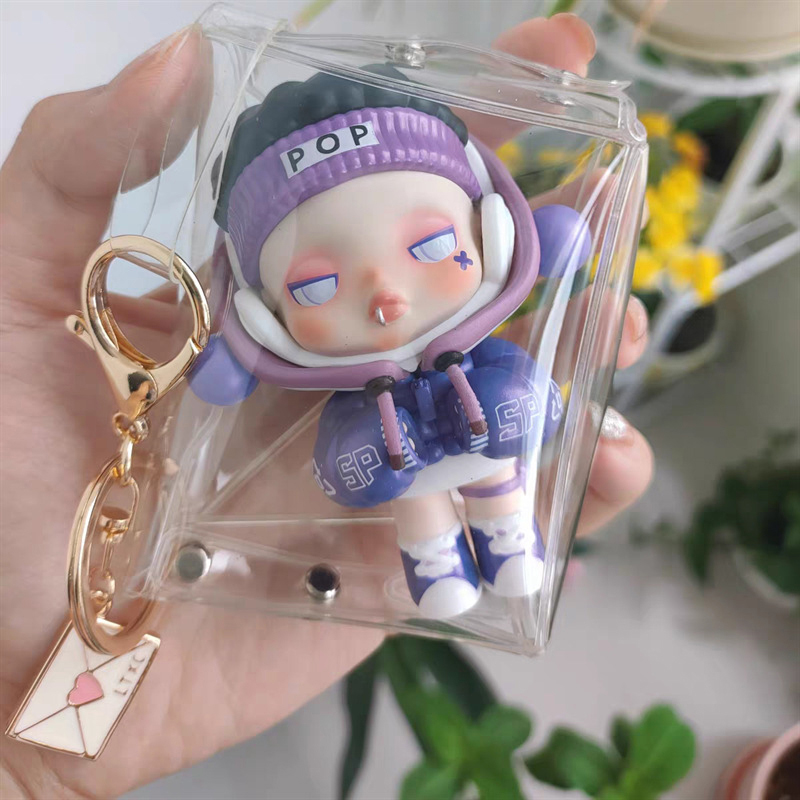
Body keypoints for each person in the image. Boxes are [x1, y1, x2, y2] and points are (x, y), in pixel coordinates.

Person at [0, 14, 653, 799]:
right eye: (315, 287)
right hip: (381, 451)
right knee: (411, 498)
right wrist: (30, 765)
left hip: (483, 409)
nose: (386, 295)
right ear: (263, 314)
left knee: (499, 468)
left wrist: (31, 768)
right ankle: (434, 555)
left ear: (494, 231)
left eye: (429, 247)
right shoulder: (337, 398)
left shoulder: (491, 343)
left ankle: (508, 533)